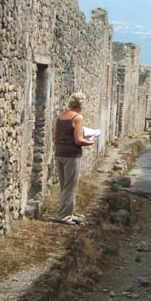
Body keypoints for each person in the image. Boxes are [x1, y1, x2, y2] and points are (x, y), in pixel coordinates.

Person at [54, 92, 95, 224]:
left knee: (64, 185)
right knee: (70, 186)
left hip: (59, 153)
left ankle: (69, 212)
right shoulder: (77, 118)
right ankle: (63, 216)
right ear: (80, 105)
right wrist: (91, 141)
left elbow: (55, 136)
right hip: (72, 155)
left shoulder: (61, 116)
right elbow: (78, 140)